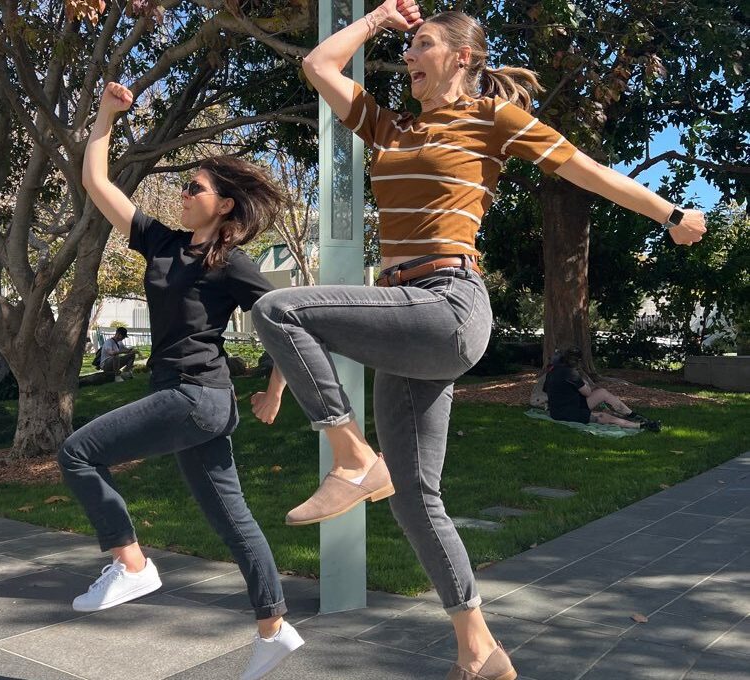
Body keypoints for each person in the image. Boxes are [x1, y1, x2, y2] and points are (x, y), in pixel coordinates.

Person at [249, 2, 706, 679]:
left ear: (464, 57)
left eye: (422, 46)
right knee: (413, 497)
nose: (407, 59)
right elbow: (318, 64)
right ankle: (478, 646)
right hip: (406, 313)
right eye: (406, 50)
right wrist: (379, 18)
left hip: (449, 305)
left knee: (279, 308)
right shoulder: (393, 126)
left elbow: (583, 168)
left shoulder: (493, 120)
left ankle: (351, 460)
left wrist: (670, 212)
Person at [58, 81, 304, 680]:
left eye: (194, 187)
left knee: (77, 453)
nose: (183, 193)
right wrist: (104, 119)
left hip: (196, 397)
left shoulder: (231, 263)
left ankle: (132, 563)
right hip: (191, 400)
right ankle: (274, 628)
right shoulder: (162, 242)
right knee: (232, 518)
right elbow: (97, 185)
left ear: (222, 205)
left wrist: (274, 389)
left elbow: (287, 325)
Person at [544, 348, 661, 431]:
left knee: (602, 393)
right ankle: (640, 425)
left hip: (566, 406)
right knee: (602, 416)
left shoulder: (552, 371)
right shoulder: (571, 373)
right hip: (566, 412)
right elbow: (587, 392)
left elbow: (546, 390)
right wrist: (582, 379)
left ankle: (632, 414)